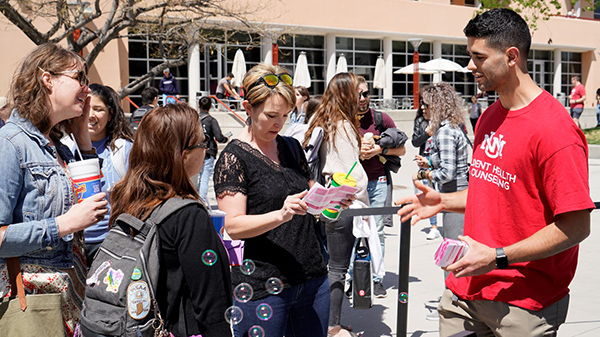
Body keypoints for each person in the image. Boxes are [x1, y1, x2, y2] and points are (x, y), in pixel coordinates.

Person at [396, 9, 594, 336]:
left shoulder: (556, 131)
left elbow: (575, 226)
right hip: (465, 288)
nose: (470, 66)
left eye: (478, 57)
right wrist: (443, 201)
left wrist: (497, 257)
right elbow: (494, 190)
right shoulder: (489, 116)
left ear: (511, 56)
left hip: (525, 303)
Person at [214, 64, 330, 337]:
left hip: (311, 274)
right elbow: (233, 225)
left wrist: (330, 198)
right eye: (271, 115)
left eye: (286, 115)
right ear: (247, 107)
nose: (279, 124)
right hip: (263, 285)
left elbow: (308, 192)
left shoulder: (290, 146)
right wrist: (281, 213)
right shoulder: (233, 158)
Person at [0, 43, 108, 336]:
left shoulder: (58, 147)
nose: (87, 89)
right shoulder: (10, 144)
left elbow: (93, 208)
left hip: (69, 297)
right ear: (47, 79)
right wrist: (63, 224)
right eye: (79, 78)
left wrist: (84, 139)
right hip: (32, 301)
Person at [110, 104, 232, 337]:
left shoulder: (127, 199)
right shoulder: (187, 215)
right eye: (202, 142)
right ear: (184, 155)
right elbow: (211, 307)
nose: (205, 149)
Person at [303, 72, 369, 337]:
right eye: (358, 92)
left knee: (330, 267)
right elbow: (350, 173)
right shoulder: (342, 125)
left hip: (326, 204)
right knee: (338, 269)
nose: (363, 98)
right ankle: (333, 326)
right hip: (342, 203)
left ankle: (327, 322)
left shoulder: (324, 119)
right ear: (346, 94)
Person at [413, 82, 470, 321]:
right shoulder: (451, 128)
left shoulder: (445, 131)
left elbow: (447, 173)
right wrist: (430, 162)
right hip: (456, 193)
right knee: (455, 252)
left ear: (436, 107)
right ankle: (456, 300)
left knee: (454, 255)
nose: (422, 110)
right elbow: (452, 162)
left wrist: (424, 174)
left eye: (425, 105)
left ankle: (454, 304)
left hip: (454, 196)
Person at [347, 76, 406, 299]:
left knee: (377, 230)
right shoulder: (345, 120)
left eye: (365, 93)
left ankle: (376, 279)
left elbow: (401, 151)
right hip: (352, 185)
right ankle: (353, 277)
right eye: (358, 94)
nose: (363, 98)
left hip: (378, 181)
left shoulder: (381, 118)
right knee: (354, 232)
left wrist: (378, 151)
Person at [83, 83, 134, 267]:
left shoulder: (123, 149)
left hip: (111, 240)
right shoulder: (65, 147)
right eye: (87, 108)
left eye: (98, 109)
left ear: (110, 114)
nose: (91, 115)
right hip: (74, 242)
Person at [411, 100, 439, 240]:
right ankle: (433, 226)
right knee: (428, 194)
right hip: (424, 160)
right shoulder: (421, 121)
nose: (422, 107)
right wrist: (427, 134)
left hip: (440, 161)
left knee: (443, 192)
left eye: (426, 104)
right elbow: (415, 142)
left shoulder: (444, 122)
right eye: (421, 104)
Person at [197, 96, 229, 204]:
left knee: (197, 178)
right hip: (208, 151)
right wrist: (226, 139)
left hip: (195, 151)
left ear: (198, 106)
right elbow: (219, 137)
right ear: (210, 107)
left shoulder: (194, 119)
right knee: (205, 178)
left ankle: (196, 199)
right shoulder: (211, 120)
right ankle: (201, 202)